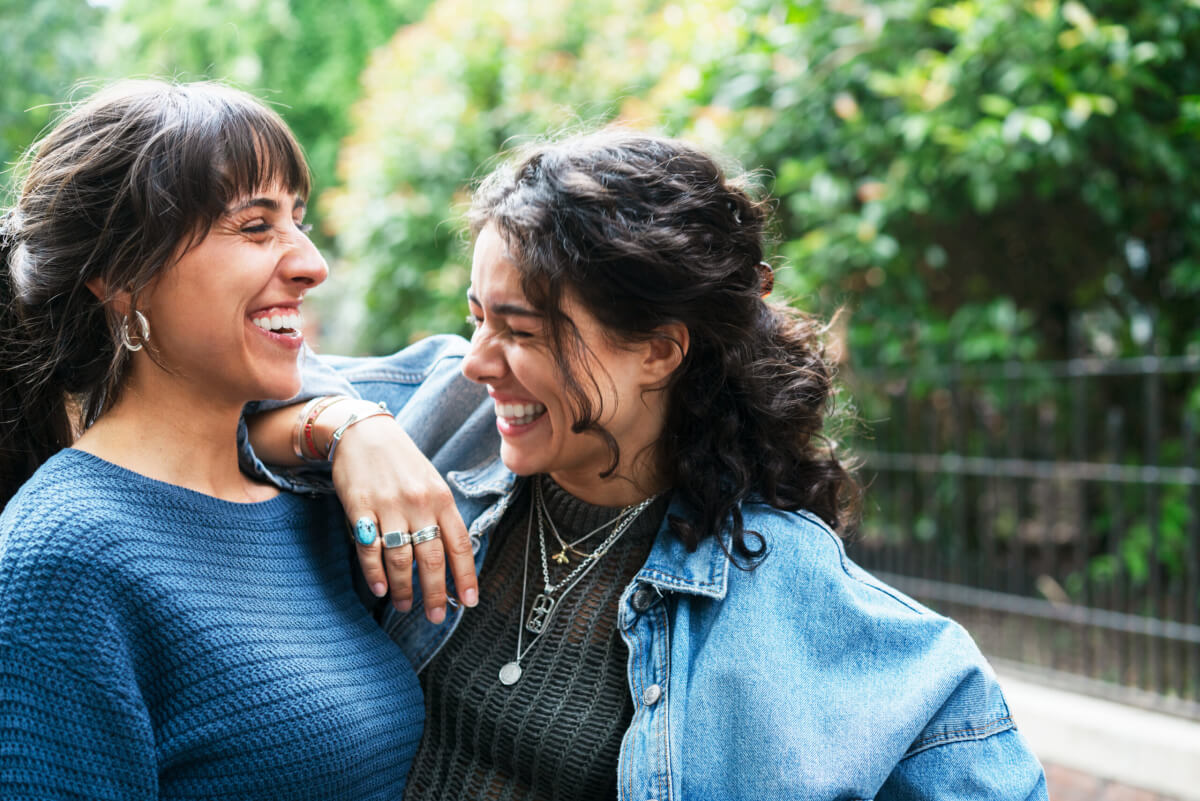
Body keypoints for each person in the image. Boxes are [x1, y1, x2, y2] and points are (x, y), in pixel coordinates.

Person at [246, 131, 1048, 799]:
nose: (478, 363)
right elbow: (226, 389)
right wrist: (347, 427)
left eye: (521, 332)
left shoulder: (786, 589)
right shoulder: (440, 417)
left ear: (659, 350)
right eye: (476, 317)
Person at [0, 79, 475, 800]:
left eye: (298, 220)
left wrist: (354, 425)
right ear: (120, 275)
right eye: (256, 227)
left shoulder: (311, 503)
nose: (312, 263)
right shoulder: (59, 560)